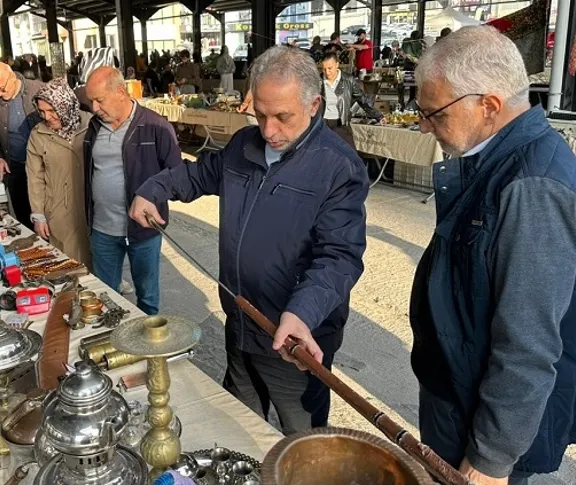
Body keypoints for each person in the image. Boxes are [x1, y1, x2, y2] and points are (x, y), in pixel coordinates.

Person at [408, 26, 576, 485]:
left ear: (489, 105)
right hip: (461, 393)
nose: (422, 126)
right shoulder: (500, 162)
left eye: (432, 113)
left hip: (483, 419)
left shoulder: (533, 186)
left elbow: (529, 344)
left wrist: (492, 456)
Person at [129, 46, 369, 434]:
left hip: (293, 340)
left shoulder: (338, 167)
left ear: (314, 105)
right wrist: (153, 187)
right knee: (238, 426)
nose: (269, 130)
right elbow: (198, 175)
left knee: (303, 446)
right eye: (260, 114)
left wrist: (302, 313)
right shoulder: (244, 144)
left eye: (282, 117)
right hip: (240, 323)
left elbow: (340, 257)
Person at [84, 66, 182, 315]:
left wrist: (152, 196)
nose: (94, 108)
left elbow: (178, 176)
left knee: (147, 297)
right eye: (91, 101)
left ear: (120, 92)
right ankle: (112, 344)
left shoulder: (155, 126)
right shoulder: (93, 128)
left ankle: (147, 346)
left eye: (99, 100)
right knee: (105, 297)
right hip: (102, 229)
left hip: (143, 230)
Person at [26, 79, 93, 268]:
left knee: (99, 261)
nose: (47, 117)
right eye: (42, 111)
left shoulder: (91, 125)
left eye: (52, 110)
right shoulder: (38, 135)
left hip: (93, 207)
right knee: (67, 266)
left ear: (66, 105)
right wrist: (38, 215)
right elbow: (35, 178)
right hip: (59, 210)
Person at [0, 61, 45, 229]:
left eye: (2, 88)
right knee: (24, 218)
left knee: (48, 217)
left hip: (44, 169)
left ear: (12, 76)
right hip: (15, 168)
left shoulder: (39, 90)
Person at [320, 51, 384, 147]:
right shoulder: (318, 80)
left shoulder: (348, 80)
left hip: (341, 122)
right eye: (324, 69)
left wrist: (378, 116)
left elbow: (362, 99)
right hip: (322, 123)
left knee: (349, 155)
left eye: (330, 68)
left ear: (337, 65)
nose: (327, 72)